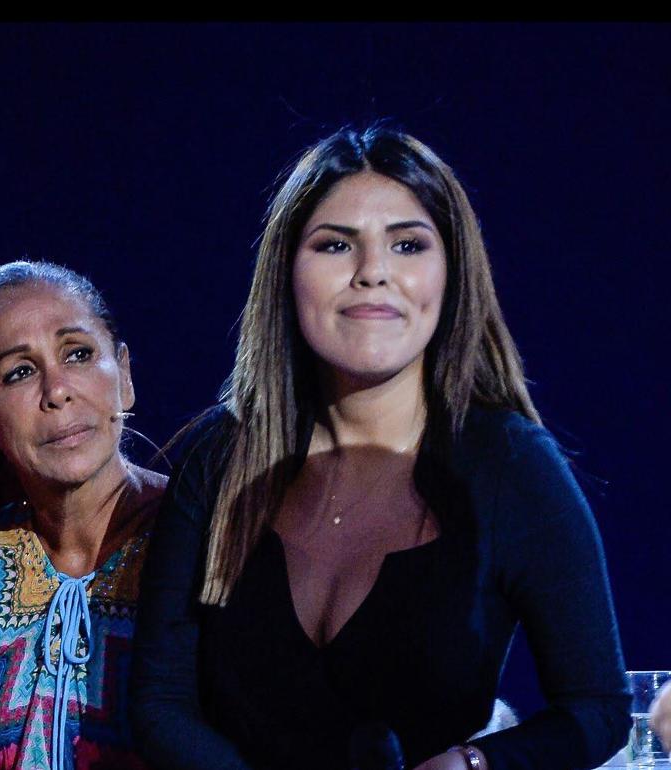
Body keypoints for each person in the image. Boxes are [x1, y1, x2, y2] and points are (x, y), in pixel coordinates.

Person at [130, 126, 630, 770]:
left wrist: (474, 765)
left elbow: (597, 708)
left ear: (450, 272)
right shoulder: (217, 456)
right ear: (286, 272)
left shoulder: (510, 464)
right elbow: (160, 705)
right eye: (336, 245)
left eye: (407, 244)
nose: (372, 272)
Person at [0, 262, 166, 770]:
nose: (57, 390)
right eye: (19, 371)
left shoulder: (200, 542)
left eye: (79, 354)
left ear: (125, 376)